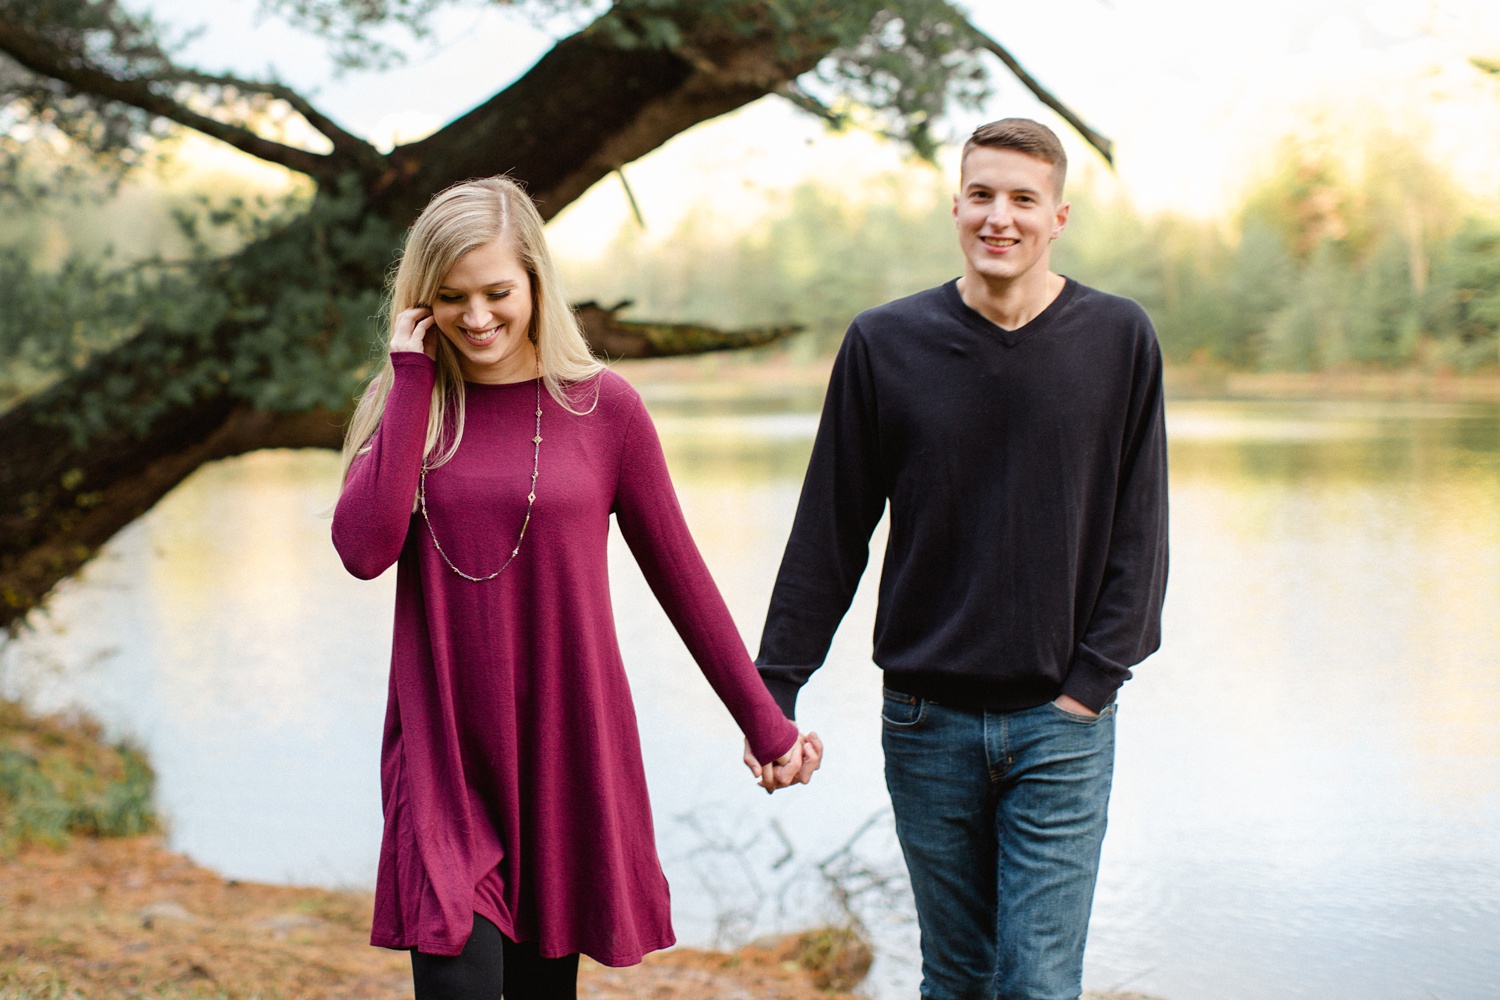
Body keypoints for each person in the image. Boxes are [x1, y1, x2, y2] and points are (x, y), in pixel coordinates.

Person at [332, 175, 822, 1000]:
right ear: (421, 301)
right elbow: (364, 550)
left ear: (535, 283)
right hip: (442, 751)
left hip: (562, 743)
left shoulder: (605, 409)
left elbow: (682, 577)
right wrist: (410, 376)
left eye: (497, 292)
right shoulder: (408, 404)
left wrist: (766, 723)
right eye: (450, 297)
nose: (477, 317)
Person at [753, 118, 1168, 1000]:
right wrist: (771, 692)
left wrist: (1090, 686)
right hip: (925, 719)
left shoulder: (1118, 340)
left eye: (1024, 198)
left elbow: (1141, 534)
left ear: (1059, 216)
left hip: (1063, 723)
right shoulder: (884, 343)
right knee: (959, 978)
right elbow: (829, 532)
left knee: (1040, 984)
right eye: (983, 195)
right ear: (956, 206)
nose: (1000, 217)